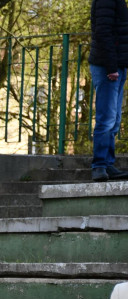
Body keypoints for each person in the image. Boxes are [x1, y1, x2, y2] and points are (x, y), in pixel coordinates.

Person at [90, 0, 128, 182]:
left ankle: (107, 163)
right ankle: (99, 166)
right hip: (107, 67)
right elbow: (103, 32)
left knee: (114, 119)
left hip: (117, 66)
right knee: (106, 118)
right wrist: (111, 66)